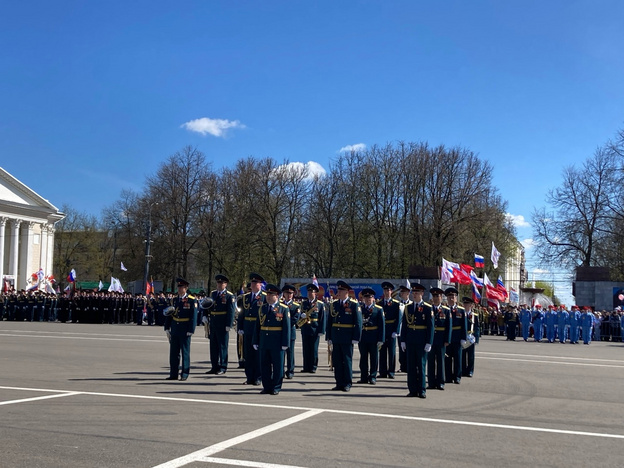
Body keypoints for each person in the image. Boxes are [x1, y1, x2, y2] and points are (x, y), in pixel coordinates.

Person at [253, 284, 290, 395]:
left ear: (277, 296)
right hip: (264, 340)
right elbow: (257, 326)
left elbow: (286, 328)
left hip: (277, 342)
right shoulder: (262, 308)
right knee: (264, 365)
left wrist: (285, 343)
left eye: (271, 294)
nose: (268, 296)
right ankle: (267, 386)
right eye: (267, 294)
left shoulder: (283, 309)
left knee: (278, 366)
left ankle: (276, 387)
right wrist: (255, 340)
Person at [326, 280, 362, 392]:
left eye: (341, 290)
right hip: (336, 337)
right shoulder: (334, 304)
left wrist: (356, 337)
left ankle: (347, 383)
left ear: (347, 292)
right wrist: (329, 337)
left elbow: (358, 322)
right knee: (337, 361)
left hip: (347, 337)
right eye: (338, 290)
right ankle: (339, 382)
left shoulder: (354, 305)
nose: (339, 292)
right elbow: (330, 322)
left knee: (346, 361)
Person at [401, 282, 433, 398]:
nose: (414, 295)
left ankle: (422, 389)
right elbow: (404, 324)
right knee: (411, 366)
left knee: (421, 365)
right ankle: (412, 389)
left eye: (417, 293)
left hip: (421, 341)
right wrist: (403, 340)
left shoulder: (427, 308)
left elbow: (430, 326)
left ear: (422, 294)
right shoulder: (408, 308)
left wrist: (429, 342)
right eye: (413, 292)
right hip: (410, 340)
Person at [164, 278, 198, 381]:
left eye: (181, 287)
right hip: (175, 328)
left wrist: (191, 329)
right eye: (178, 287)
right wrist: (167, 327)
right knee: (174, 353)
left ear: (186, 288)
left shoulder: (192, 300)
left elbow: (193, 316)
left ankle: (184, 373)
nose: (179, 289)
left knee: (185, 352)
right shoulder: (174, 300)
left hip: (185, 329)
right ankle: (173, 373)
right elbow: (170, 314)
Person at [204, 274, 236, 375]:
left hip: (222, 323)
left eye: (221, 283)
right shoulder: (213, 294)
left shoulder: (229, 296)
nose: (219, 284)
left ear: (225, 284)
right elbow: (206, 305)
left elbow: (231, 311)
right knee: (213, 346)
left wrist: (228, 324)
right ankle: (214, 366)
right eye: (218, 282)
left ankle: (223, 367)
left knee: (222, 346)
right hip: (213, 322)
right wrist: (205, 315)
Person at [237, 273, 266, 385]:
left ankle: (258, 377)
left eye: (256, 283)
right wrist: (240, 327)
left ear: (260, 285)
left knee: (258, 354)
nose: (253, 285)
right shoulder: (245, 297)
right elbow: (241, 314)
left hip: (258, 328)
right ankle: (249, 377)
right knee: (248, 354)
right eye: (252, 283)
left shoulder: (264, 297)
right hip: (247, 328)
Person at [357, 287, 385, 385]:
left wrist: (381, 339)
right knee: (363, 358)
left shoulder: (378, 309)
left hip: (374, 337)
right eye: (366, 298)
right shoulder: (360, 308)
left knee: (374, 358)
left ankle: (373, 376)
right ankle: (363, 377)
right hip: (363, 336)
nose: (368, 300)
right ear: (363, 298)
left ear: (373, 298)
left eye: (370, 298)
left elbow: (382, 325)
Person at [427, 287, 451, 390]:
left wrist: (447, 339)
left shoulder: (446, 310)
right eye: (434, 296)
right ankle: (431, 382)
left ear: (441, 297)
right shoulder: (429, 309)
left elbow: (449, 326)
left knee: (441, 361)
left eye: (438, 296)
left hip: (441, 339)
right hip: (431, 339)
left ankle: (441, 382)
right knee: (431, 361)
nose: (436, 298)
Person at [299, 283, 326, 373]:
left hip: (315, 328)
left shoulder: (320, 304)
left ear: (316, 294)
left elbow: (322, 318)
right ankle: (306, 366)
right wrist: (301, 316)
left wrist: (321, 330)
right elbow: (300, 314)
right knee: (306, 349)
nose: (310, 294)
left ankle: (313, 366)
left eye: (312, 292)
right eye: (309, 292)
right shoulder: (304, 303)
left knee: (314, 349)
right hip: (305, 328)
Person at [378, 281, 402, 379]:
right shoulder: (379, 303)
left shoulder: (396, 304)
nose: (387, 292)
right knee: (382, 351)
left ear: (391, 291)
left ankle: (391, 371)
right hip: (383, 330)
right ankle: (383, 372)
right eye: (385, 290)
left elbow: (398, 318)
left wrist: (395, 331)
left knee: (391, 352)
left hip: (391, 329)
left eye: (388, 290)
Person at [444, 287, 466, 384]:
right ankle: (448, 377)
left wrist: (463, 338)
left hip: (457, 337)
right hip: (447, 338)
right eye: (449, 296)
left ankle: (457, 377)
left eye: (453, 296)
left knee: (457, 358)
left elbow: (464, 325)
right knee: (447, 358)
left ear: (456, 298)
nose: (451, 298)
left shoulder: (461, 310)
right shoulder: (444, 310)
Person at [281, 284, 300, 379]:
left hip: (290, 332)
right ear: (284, 294)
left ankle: (290, 371)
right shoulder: (280, 304)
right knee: (280, 353)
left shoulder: (296, 306)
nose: (289, 295)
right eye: (287, 293)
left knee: (290, 353)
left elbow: (295, 319)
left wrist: (283, 324)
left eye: (291, 293)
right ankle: (280, 370)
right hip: (279, 332)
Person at [462, 297, 480, 377]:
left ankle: (470, 371)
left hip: (471, 337)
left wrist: (476, 338)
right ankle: (462, 370)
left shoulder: (474, 316)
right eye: (465, 304)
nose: (466, 305)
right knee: (462, 355)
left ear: (471, 305)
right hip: (463, 336)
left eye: (467, 304)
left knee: (471, 356)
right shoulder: (461, 313)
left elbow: (477, 327)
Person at [397, 283, 412, 373]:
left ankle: (408, 365)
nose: (402, 294)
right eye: (401, 292)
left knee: (409, 348)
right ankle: (402, 366)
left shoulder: (411, 304)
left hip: (409, 329)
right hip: (400, 328)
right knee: (401, 348)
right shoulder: (399, 304)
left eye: (404, 292)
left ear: (408, 293)